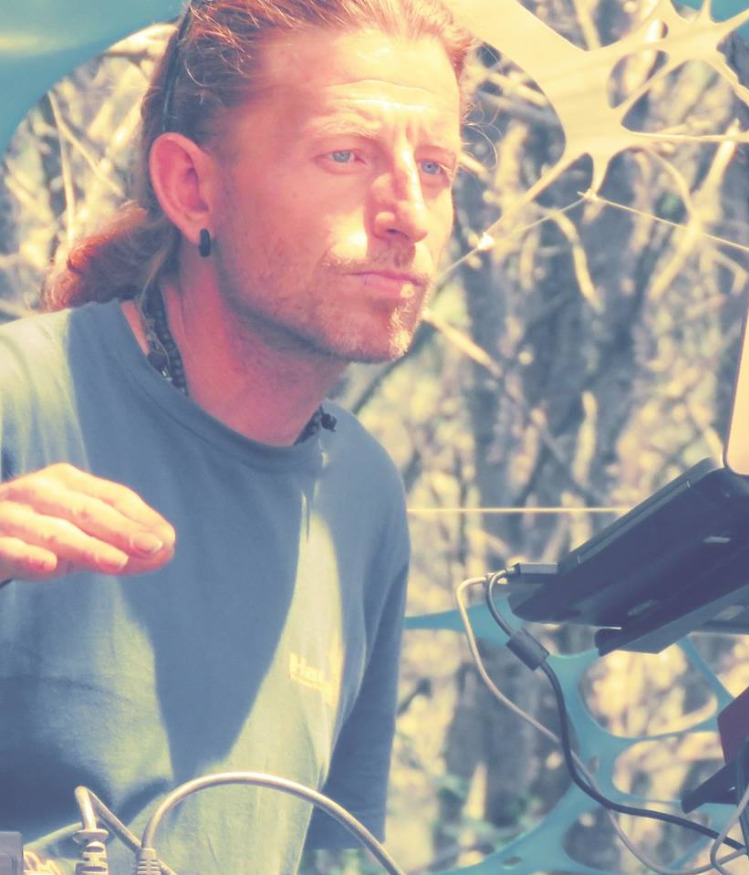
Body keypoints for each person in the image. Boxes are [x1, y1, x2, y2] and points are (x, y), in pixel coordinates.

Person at [0, 0, 473, 871]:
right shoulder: (21, 394)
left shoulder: (363, 494)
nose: (408, 212)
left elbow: (334, 852)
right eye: (346, 155)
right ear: (192, 187)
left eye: (437, 168)